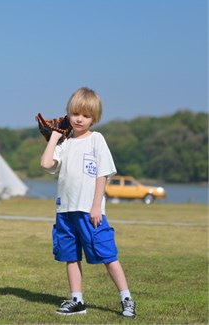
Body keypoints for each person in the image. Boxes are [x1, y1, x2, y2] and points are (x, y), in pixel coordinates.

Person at [40, 87, 136, 317]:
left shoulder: (96, 140)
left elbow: (102, 174)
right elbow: (46, 164)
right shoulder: (64, 144)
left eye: (86, 115)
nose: (79, 119)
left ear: (94, 119)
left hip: (89, 210)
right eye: (75, 114)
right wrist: (54, 135)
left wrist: (96, 206)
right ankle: (77, 300)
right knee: (70, 256)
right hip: (66, 210)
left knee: (107, 255)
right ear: (68, 114)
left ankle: (127, 299)